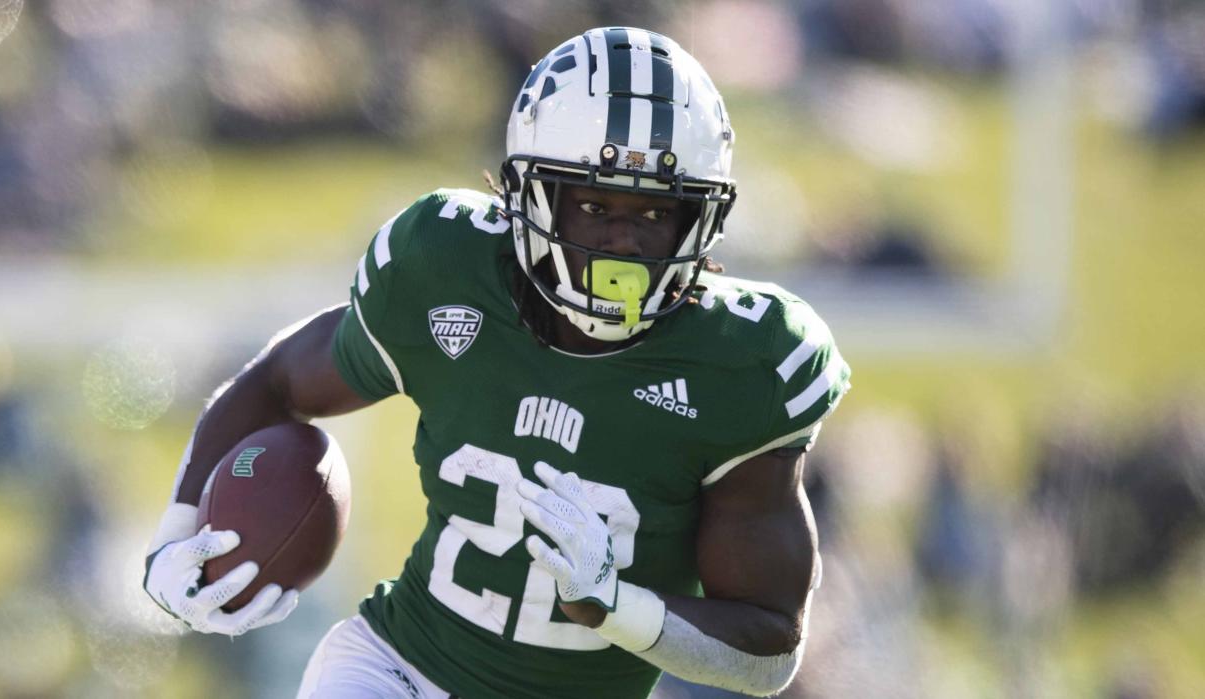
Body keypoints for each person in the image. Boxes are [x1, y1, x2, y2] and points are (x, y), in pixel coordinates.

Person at [143, 27, 851, 699]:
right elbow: (277, 380)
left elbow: (768, 651)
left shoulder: (744, 365)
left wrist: (614, 605)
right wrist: (175, 539)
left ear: (701, 218)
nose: (622, 244)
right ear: (528, 195)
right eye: (593, 205)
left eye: (653, 214)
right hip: (398, 669)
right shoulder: (445, 268)